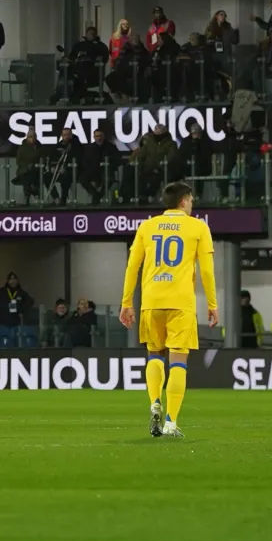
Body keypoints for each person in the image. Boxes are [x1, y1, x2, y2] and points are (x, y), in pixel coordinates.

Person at [118, 182, 218, 440]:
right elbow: (207, 270)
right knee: (178, 363)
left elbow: (132, 267)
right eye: (191, 200)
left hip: (151, 301)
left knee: (154, 356)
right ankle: (171, 422)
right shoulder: (198, 227)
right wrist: (212, 304)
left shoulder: (147, 226)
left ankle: (154, 402)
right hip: (181, 304)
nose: (193, 204)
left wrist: (126, 302)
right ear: (184, 201)